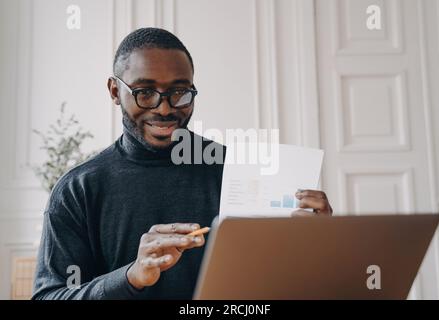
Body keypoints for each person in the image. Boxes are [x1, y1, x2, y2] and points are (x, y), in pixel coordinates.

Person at [32, 27, 333, 300]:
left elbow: (287, 286)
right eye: (145, 92)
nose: (165, 108)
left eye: (179, 92)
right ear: (114, 91)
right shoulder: (78, 189)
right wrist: (130, 278)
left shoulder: (240, 170)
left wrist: (315, 247)